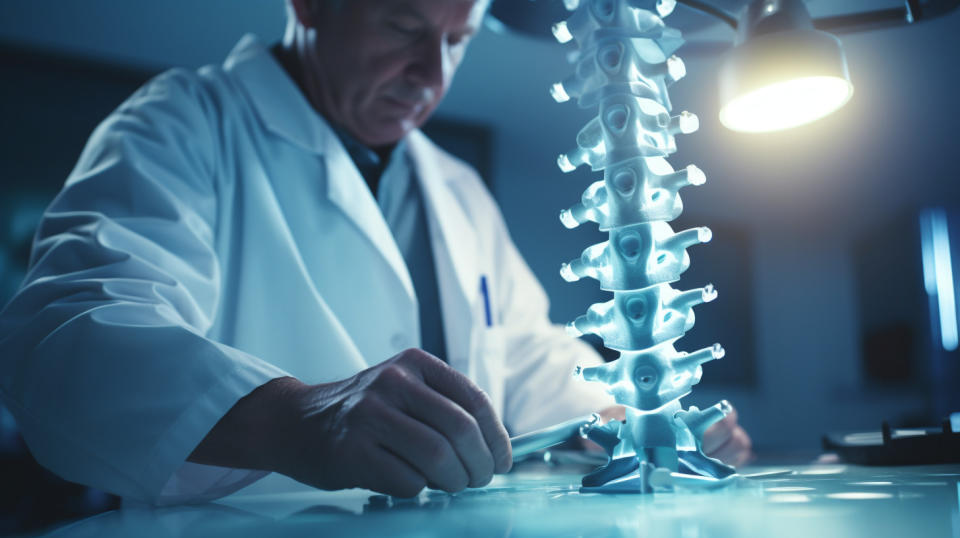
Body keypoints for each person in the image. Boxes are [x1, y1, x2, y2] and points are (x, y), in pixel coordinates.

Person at [0, 0, 751, 504]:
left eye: (456, 41)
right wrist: (295, 420)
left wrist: (631, 415)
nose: (433, 75)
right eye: (402, 25)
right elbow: (66, 343)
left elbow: (526, 360)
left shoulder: (456, 186)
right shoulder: (183, 125)